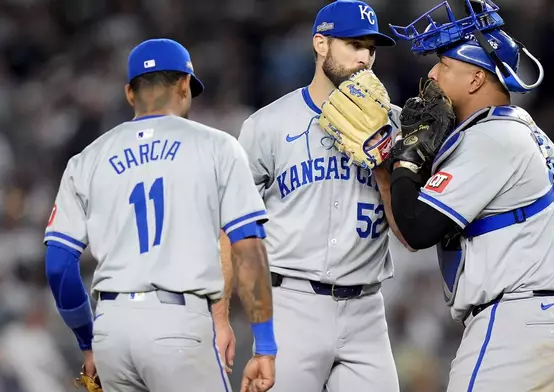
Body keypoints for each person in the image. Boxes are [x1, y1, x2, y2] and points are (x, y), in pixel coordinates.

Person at [387, 1, 554, 391]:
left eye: (444, 64)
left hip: (519, 327)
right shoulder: (531, 135)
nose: (432, 74)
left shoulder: (489, 137)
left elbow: (418, 229)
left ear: (475, 78)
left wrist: (404, 160)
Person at [43, 38, 276, 392]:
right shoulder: (216, 146)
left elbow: (58, 265)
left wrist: (88, 342)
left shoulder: (87, 159)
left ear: (129, 93)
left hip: (111, 328)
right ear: (184, 85)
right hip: (178, 324)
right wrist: (265, 344)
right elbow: (247, 247)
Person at [233, 1, 410, 391]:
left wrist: (383, 164)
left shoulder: (396, 127)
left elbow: (410, 236)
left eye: (371, 48)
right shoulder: (268, 125)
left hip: (367, 309)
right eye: (353, 44)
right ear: (321, 44)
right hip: (293, 302)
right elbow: (230, 229)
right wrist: (218, 319)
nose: (365, 58)